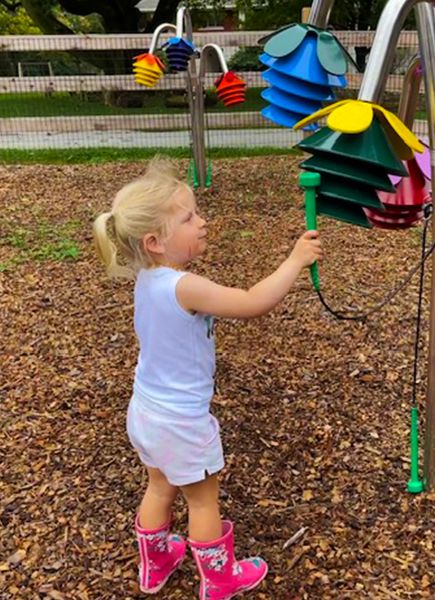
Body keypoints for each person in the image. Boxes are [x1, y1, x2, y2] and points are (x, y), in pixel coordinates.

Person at [92, 158, 323, 598]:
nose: (203, 221)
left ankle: (155, 564)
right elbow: (253, 301)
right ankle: (219, 580)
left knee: (159, 484)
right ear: (155, 241)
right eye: (189, 217)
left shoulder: (147, 277)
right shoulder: (184, 287)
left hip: (145, 411)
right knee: (201, 499)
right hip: (181, 420)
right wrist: (295, 260)